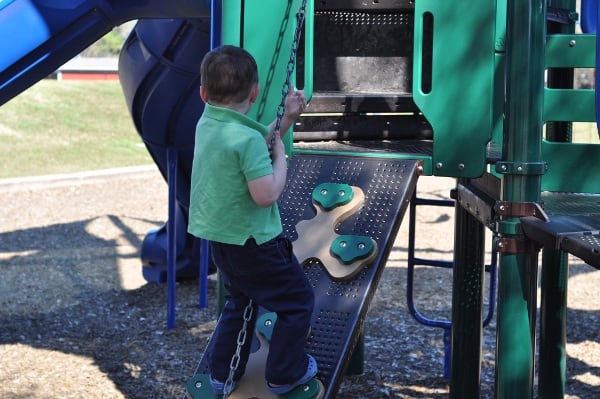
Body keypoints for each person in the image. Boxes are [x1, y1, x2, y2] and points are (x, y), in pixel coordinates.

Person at [188, 45, 318, 396]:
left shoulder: (209, 123)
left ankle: (222, 374)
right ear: (256, 92)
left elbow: (251, 137)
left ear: (203, 93)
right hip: (255, 244)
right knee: (298, 301)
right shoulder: (245, 140)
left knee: (241, 301)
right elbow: (266, 194)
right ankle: (284, 373)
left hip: (223, 241)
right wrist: (281, 160)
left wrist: (286, 120)